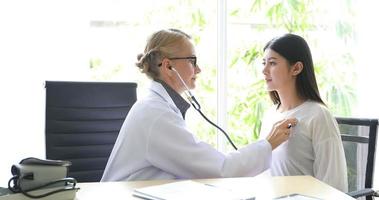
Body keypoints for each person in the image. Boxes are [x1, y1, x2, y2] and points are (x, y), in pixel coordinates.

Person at [101, 28, 297, 182]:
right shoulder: (156, 114)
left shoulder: (158, 107)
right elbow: (222, 169)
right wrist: (268, 143)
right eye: (192, 61)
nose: (198, 69)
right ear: (168, 66)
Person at [258, 33, 348, 192]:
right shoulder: (270, 115)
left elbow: (333, 184)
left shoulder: (318, 116)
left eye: (272, 63)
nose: (264, 70)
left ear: (296, 68)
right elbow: (264, 174)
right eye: (264, 63)